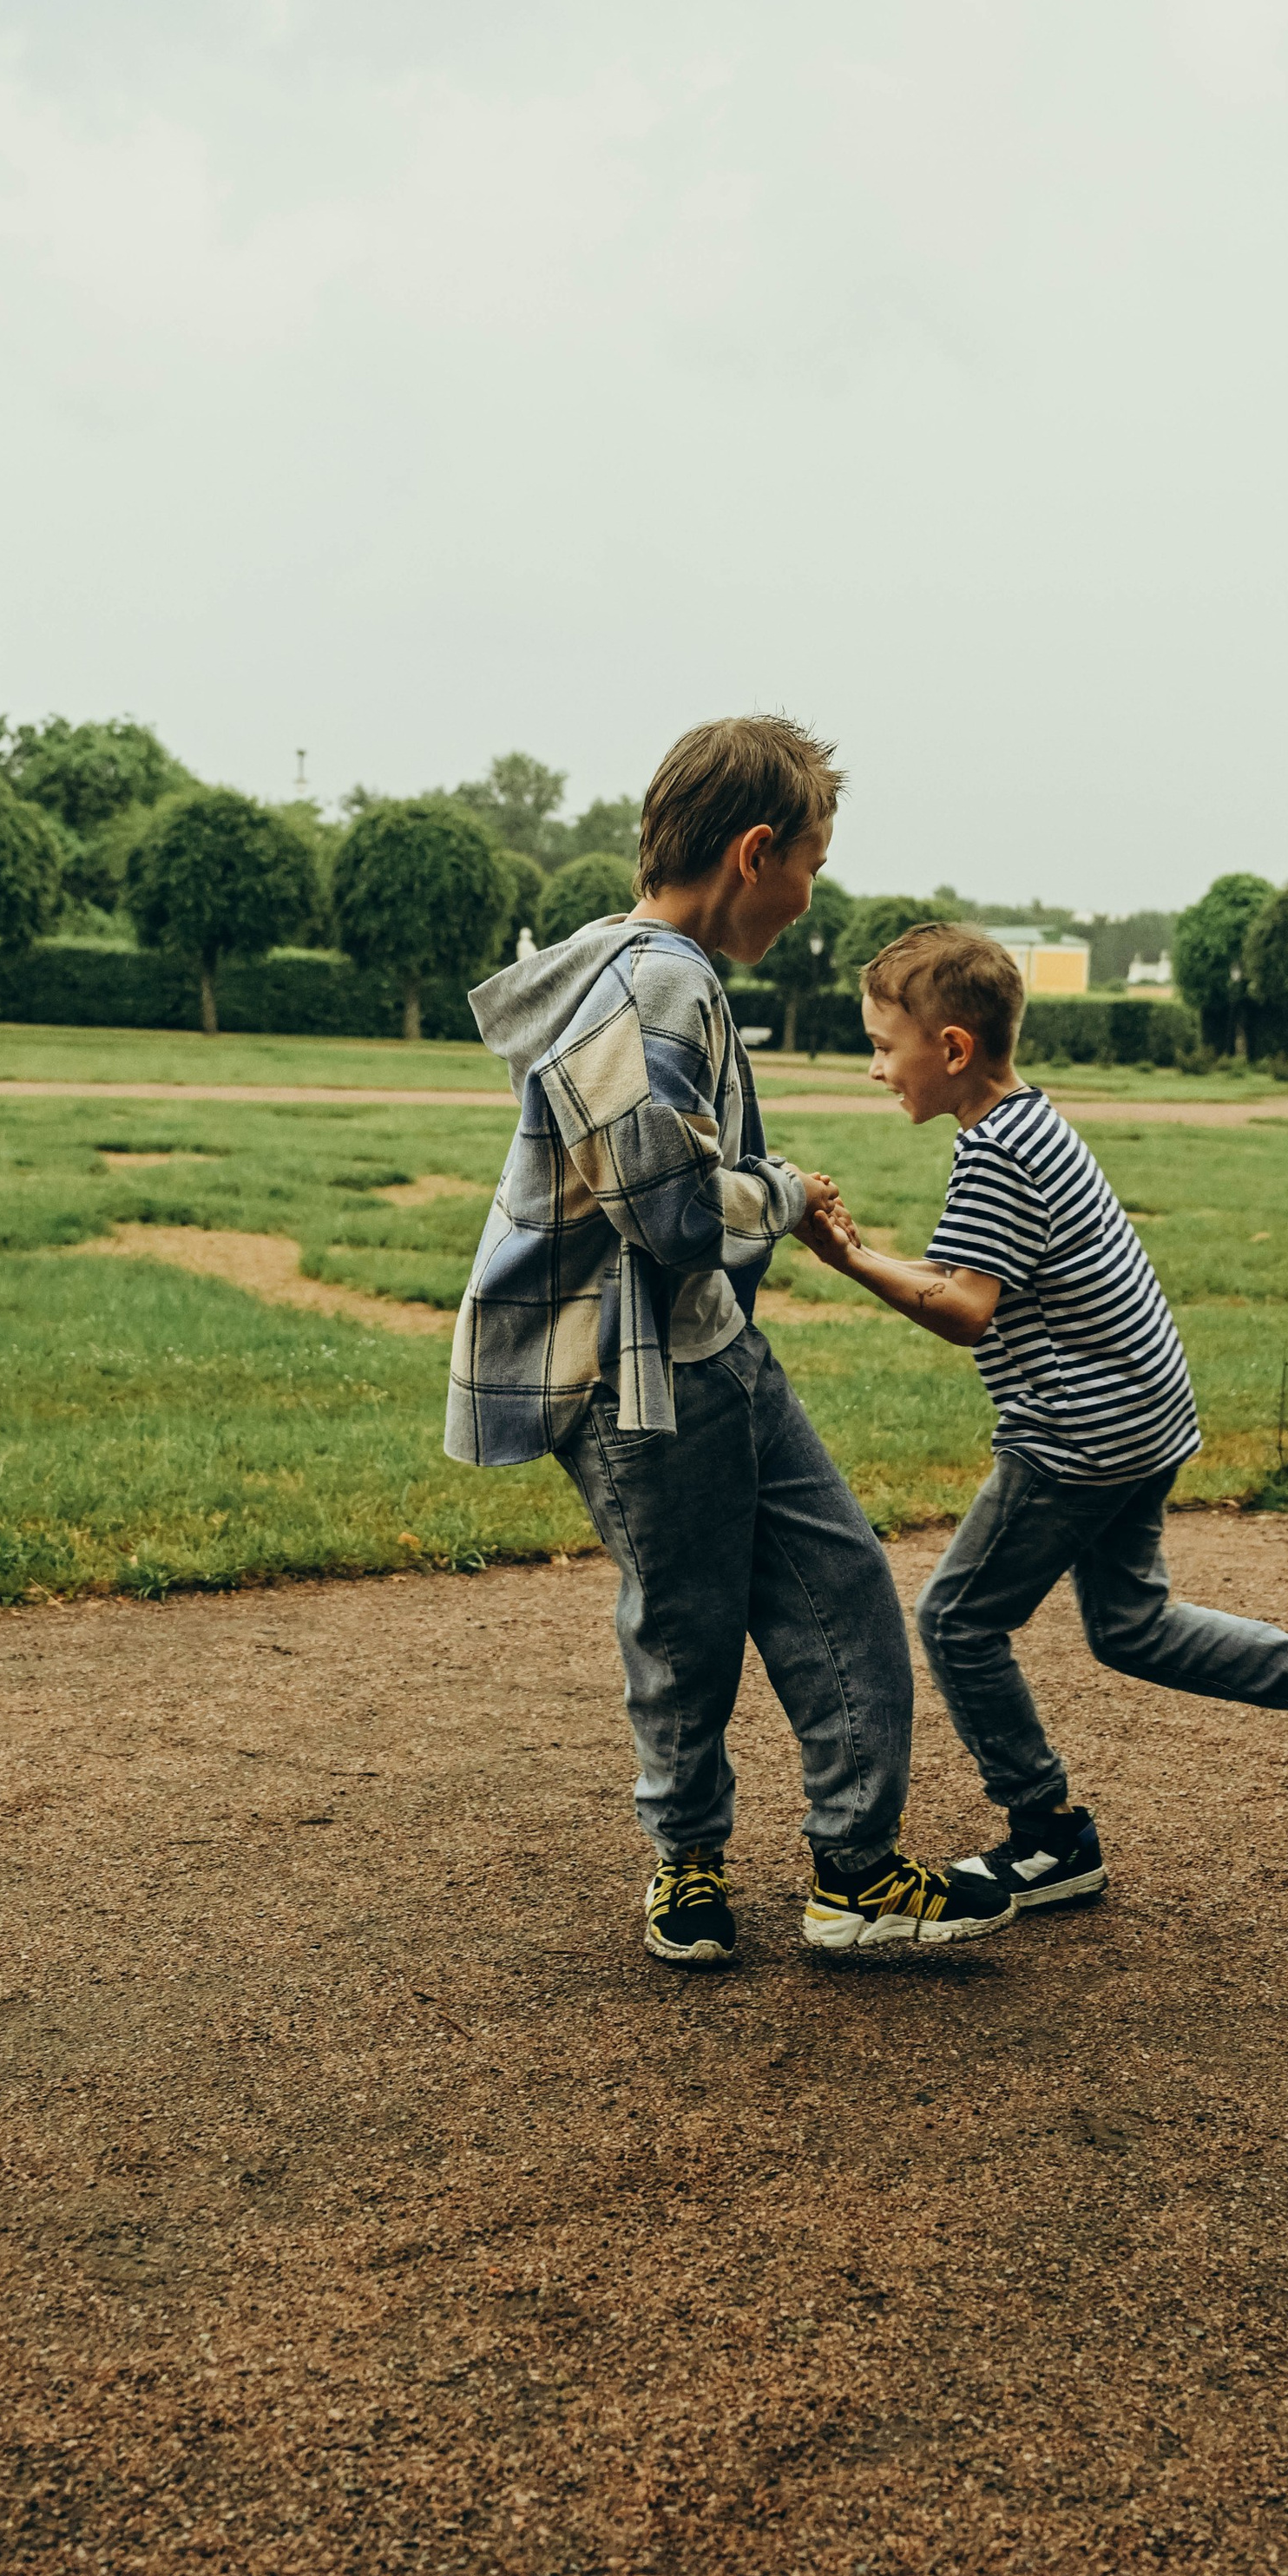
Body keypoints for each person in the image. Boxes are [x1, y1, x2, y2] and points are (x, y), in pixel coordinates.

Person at [444, 722, 1016, 1967]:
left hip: (705, 1350)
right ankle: (690, 1869)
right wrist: (788, 1192)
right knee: (689, 1625)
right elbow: (666, 1212)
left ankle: (854, 1870)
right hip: (637, 1372)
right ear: (756, 853)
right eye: (811, 861)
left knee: (839, 1584)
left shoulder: (640, 965)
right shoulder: (662, 982)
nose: (811, 897)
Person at [796, 922, 1288, 1916]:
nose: (873, 1068)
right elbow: (963, 1278)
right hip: (1142, 1415)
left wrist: (847, 1261)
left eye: (883, 1046)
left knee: (957, 1621)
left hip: (1076, 1435)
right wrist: (865, 1256)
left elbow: (965, 1311)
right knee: (1129, 1625)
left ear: (950, 1049)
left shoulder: (991, 1156)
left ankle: (1047, 1833)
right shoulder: (1031, 1124)